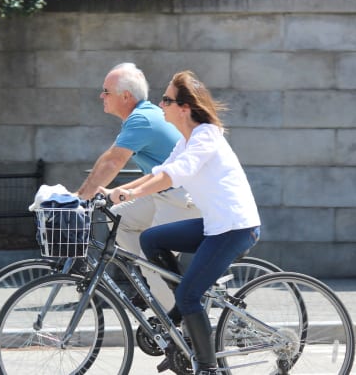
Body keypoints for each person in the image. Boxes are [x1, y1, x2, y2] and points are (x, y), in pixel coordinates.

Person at [99, 70, 261, 375]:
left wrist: (130, 193)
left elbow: (176, 174)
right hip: (215, 225)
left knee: (190, 295)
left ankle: (208, 368)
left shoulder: (206, 135)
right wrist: (119, 192)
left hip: (235, 228)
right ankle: (176, 313)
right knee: (151, 239)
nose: (161, 105)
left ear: (184, 108)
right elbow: (162, 171)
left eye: (167, 100)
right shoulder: (186, 139)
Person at [76, 62, 201, 310]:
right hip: (164, 193)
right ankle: (155, 278)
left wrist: (79, 199)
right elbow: (112, 156)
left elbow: (113, 161)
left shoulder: (142, 119)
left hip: (180, 197)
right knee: (119, 216)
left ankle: (183, 328)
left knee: (152, 263)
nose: (101, 96)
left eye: (106, 91)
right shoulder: (142, 116)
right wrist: (100, 194)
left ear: (125, 96)